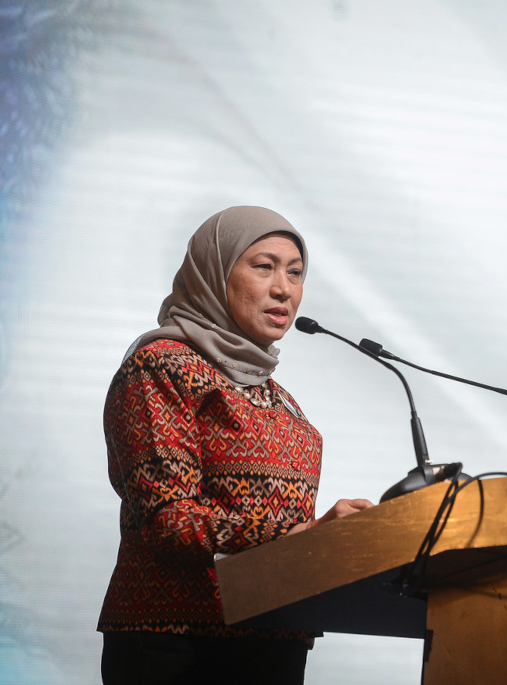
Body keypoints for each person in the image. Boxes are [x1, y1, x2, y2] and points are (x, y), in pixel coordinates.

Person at [98, 206, 374, 684]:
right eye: (263, 267)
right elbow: (168, 519)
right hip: (178, 641)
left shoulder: (280, 400)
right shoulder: (162, 368)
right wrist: (296, 536)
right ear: (215, 271)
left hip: (273, 636)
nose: (284, 289)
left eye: (296, 273)